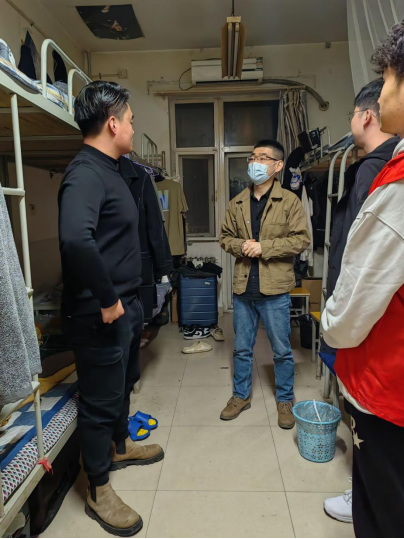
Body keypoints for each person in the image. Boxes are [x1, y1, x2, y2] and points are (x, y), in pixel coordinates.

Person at [59, 81, 164, 538]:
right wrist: (107, 299)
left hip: (125, 305)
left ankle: (119, 447)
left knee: (123, 386)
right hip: (100, 312)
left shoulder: (113, 170)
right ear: (113, 123)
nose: (135, 128)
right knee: (100, 403)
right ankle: (98, 490)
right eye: (132, 120)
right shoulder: (86, 172)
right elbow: (75, 240)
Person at [322, 21, 404, 539]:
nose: (384, 88)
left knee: (384, 513)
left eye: (390, 78)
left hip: (388, 381)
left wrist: (329, 323)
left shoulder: (390, 178)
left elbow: (360, 294)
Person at [219, 140, 310, 428]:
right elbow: (224, 237)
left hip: (275, 290)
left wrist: (264, 247)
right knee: (241, 349)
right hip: (243, 289)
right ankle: (240, 396)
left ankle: (285, 399)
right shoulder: (237, 202)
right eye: (252, 158)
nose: (254, 163)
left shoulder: (290, 201)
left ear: (278, 165)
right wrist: (240, 245)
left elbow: (301, 240)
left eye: (262, 158)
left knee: (282, 350)